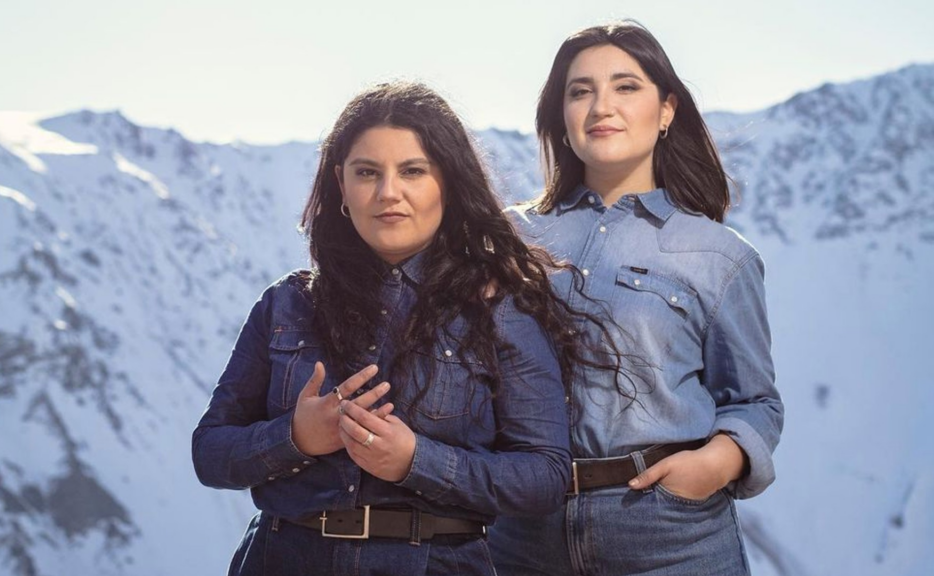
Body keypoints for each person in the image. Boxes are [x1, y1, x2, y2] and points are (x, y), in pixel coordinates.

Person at [192, 82, 610, 576]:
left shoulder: (499, 308)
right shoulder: (287, 303)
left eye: (412, 171)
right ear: (340, 183)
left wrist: (416, 460)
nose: (388, 192)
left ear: (447, 182)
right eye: (367, 172)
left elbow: (544, 477)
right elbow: (210, 453)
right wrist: (297, 436)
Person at [488, 21, 785, 576]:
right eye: (580, 91)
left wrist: (713, 465)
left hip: (669, 533)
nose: (602, 106)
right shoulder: (506, 237)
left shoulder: (720, 255)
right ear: (560, 115)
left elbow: (754, 401)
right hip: (522, 529)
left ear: (667, 109)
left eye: (626, 86)